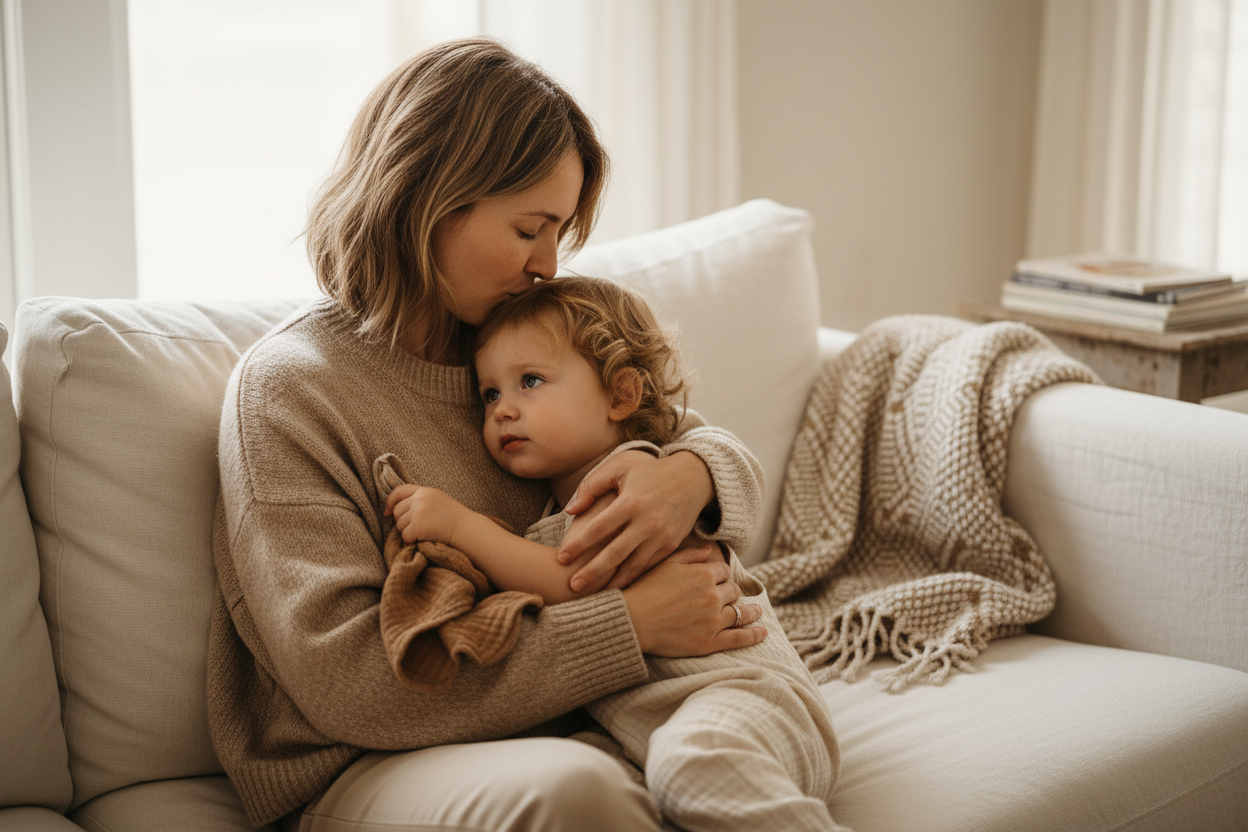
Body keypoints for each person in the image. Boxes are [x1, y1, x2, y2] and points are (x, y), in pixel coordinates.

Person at [208, 38, 771, 832]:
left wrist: (691, 476)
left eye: (560, 234)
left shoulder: (519, 339)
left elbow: (704, 442)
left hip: (573, 715)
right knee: (576, 794)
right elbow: (351, 685)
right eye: (530, 228)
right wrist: (630, 624)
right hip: (366, 761)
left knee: (713, 775)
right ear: (433, 196)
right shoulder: (290, 391)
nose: (548, 263)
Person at [383, 277, 846, 832]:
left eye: (530, 381)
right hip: (647, 732)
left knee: (693, 763)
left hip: (750, 703)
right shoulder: (555, 513)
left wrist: (460, 526)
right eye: (490, 394)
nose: (503, 410)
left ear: (620, 395)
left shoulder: (633, 479)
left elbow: (571, 579)